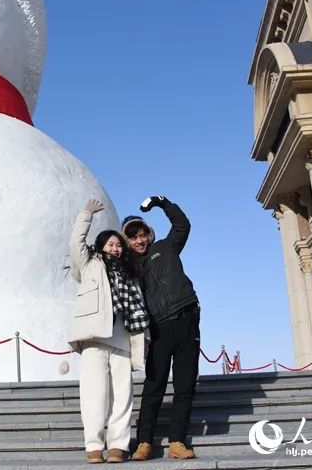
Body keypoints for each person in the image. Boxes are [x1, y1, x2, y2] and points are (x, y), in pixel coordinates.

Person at [68, 199, 149, 464]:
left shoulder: (130, 272)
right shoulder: (90, 264)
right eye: (110, 244)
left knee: (123, 396)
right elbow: (75, 243)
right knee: (95, 394)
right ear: (101, 245)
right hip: (95, 337)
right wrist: (86, 213)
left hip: (124, 338)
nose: (114, 248)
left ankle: (118, 445)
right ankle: (93, 445)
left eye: (118, 245)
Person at [122, 195, 199, 461]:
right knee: (154, 386)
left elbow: (182, 225)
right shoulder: (128, 267)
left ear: (149, 235)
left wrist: (162, 202)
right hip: (158, 329)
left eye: (143, 234)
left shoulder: (166, 247)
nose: (140, 240)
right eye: (133, 238)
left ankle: (177, 441)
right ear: (127, 242)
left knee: (185, 385)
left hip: (187, 318)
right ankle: (144, 442)